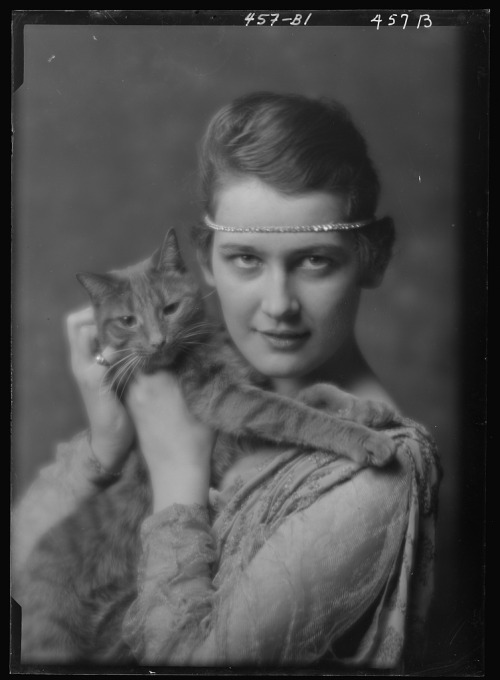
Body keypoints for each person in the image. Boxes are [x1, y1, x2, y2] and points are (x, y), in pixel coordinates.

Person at [12, 92, 441, 670]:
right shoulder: (203, 379)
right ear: (205, 260)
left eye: (315, 260)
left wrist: (177, 475)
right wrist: (105, 446)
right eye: (245, 259)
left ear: (374, 256)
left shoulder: (374, 482)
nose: (278, 305)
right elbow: (19, 575)